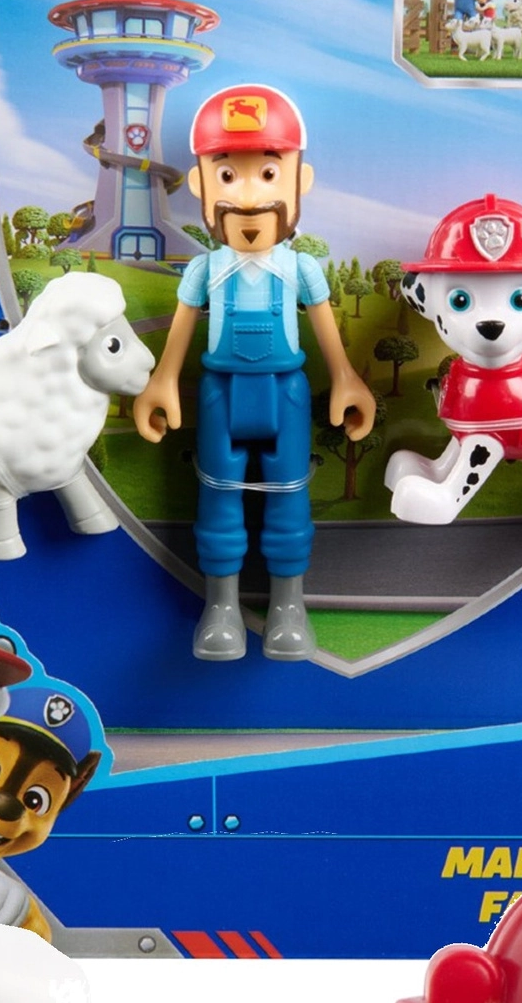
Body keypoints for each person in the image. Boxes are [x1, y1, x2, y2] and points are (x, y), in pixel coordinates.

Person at [134, 86, 374, 660]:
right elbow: (179, 337)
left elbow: (328, 337)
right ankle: (220, 608)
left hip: (286, 395)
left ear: (299, 181)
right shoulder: (203, 270)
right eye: (227, 175)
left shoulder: (302, 269)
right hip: (219, 395)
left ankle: (289, 607)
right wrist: (162, 383)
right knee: (217, 500)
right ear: (200, 185)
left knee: (289, 498)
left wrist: (346, 379)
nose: (247, 197)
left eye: (268, 173)